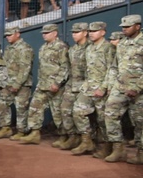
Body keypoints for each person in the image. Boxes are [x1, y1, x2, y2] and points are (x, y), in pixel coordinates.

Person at [15, 24, 69, 145]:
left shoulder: (61, 47)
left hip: (55, 86)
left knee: (58, 112)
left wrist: (57, 83)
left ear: (55, 33)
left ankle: (64, 136)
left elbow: (65, 67)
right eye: (43, 33)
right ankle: (35, 133)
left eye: (47, 33)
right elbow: (41, 68)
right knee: (35, 107)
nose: (44, 35)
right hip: (43, 84)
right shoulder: (43, 47)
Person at [101, 14, 143, 163]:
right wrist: (111, 86)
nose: (124, 29)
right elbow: (114, 66)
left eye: (127, 27)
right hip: (120, 87)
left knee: (140, 121)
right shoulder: (122, 44)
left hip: (139, 90)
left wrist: (138, 87)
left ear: (137, 27)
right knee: (110, 112)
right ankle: (118, 148)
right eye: (123, 27)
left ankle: (141, 152)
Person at [71, 22, 116, 156]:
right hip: (88, 87)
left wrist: (104, 88)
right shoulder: (89, 48)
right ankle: (87, 141)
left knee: (103, 119)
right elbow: (87, 69)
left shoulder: (109, 48)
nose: (91, 33)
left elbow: (112, 70)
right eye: (90, 31)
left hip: (102, 88)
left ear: (103, 32)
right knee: (78, 111)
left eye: (95, 31)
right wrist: (85, 85)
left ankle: (109, 147)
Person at [0, 26, 34, 139]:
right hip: (8, 83)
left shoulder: (25, 48)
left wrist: (17, 84)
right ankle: (5, 128)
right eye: (6, 36)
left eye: (10, 35)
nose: (7, 37)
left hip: (22, 84)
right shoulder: (9, 49)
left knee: (21, 108)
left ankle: (21, 131)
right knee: (1, 104)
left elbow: (25, 68)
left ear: (17, 34)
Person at [55, 23, 89, 150]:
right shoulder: (72, 50)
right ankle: (73, 137)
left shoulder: (90, 48)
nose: (74, 35)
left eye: (77, 32)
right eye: (73, 33)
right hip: (72, 83)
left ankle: (86, 139)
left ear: (85, 33)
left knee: (79, 112)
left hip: (86, 85)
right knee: (64, 109)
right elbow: (68, 68)